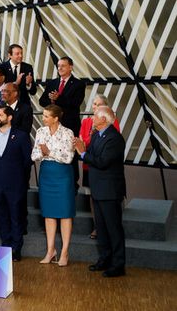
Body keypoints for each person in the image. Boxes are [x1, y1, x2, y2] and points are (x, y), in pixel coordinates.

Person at [74, 106, 126, 277]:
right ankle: (104, 259)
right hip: (98, 189)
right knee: (102, 228)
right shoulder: (97, 134)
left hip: (110, 191)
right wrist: (83, 150)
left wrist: (82, 153)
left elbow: (103, 161)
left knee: (113, 228)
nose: (92, 118)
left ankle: (118, 265)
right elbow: (92, 154)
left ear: (104, 119)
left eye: (95, 116)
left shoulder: (114, 139)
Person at [31, 104, 76, 266]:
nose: (43, 119)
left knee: (65, 214)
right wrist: (42, 152)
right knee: (49, 214)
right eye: (43, 116)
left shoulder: (67, 133)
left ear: (56, 118)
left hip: (63, 175)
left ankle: (64, 252)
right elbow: (34, 155)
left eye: (46, 116)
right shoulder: (40, 132)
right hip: (46, 173)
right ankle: (51, 250)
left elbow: (68, 157)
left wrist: (49, 152)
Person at [0, 106, 32, 261]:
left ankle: (16, 248)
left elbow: (27, 162)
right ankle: (6, 246)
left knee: (16, 217)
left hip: (16, 184)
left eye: (0, 115)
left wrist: (21, 181)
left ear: (10, 117)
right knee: (1, 216)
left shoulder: (21, 136)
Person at [39, 56, 86, 192]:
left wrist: (58, 99)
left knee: (70, 154)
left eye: (63, 66)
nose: (60, 68)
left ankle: (72, 184)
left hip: (69, 125)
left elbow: (75, 104)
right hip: (52, 127)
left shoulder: (78, 84)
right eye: (58, 66)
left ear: (70, 67)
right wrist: (51, 99)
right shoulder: (52, 83)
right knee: (52, 151)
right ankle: (54, 180)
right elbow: (42, 101)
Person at [79, 94, 120, 239]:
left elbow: (106, 150)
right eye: (94, 104)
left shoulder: (111, 124)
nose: (94, 107)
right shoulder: (86, 122)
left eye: (98, 104)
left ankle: (104, 228)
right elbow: (82, 143)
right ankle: (97, 226)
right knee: (92, 196)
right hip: (89, 166)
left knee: (106, 202)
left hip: (104, 170)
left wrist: (85, 145)